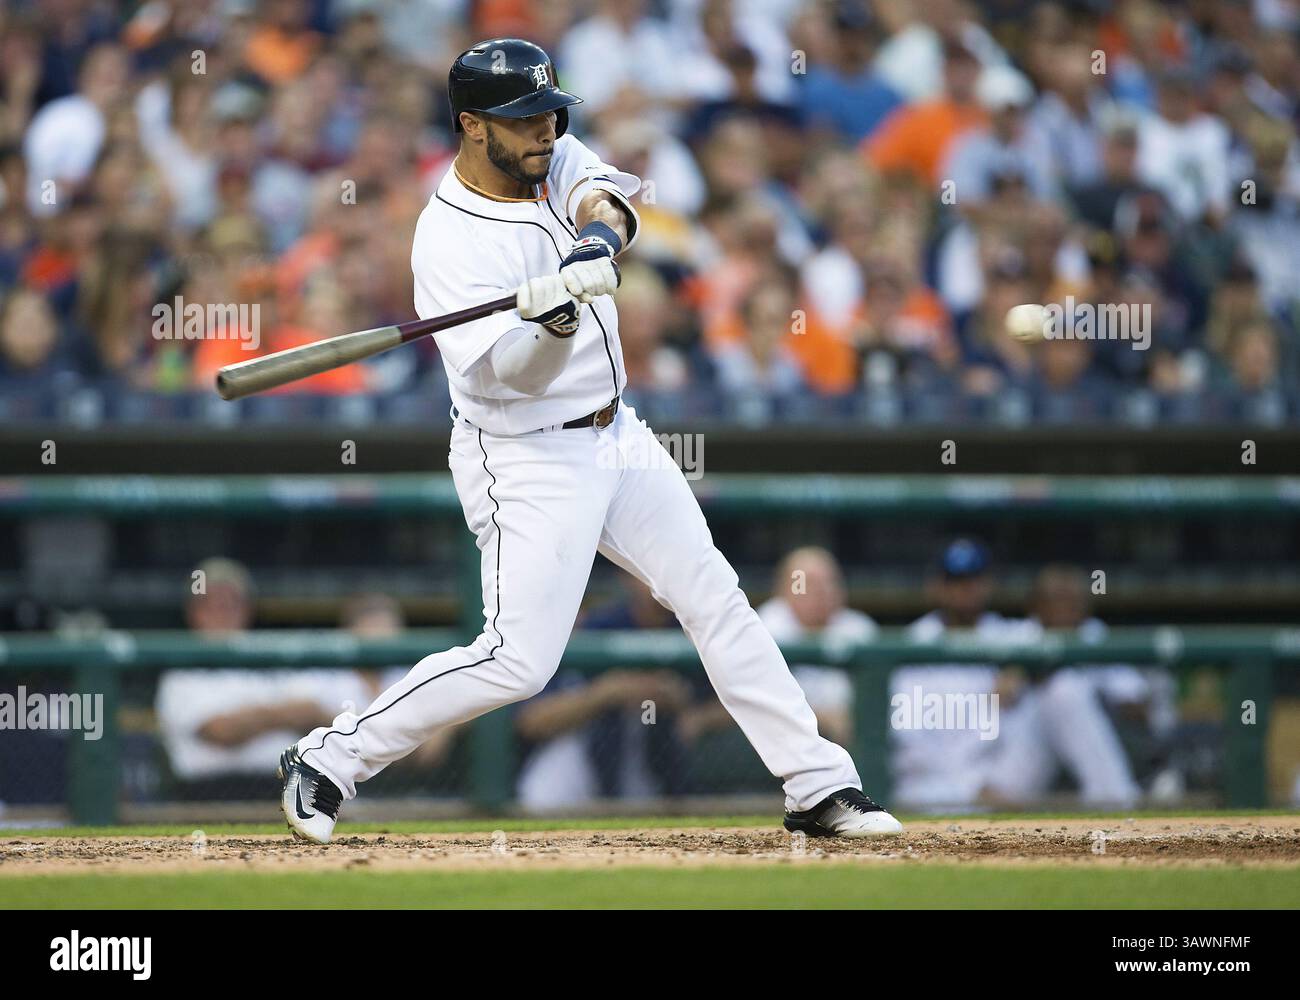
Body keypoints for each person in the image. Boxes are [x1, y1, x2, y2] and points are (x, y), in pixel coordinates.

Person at [278, 39, 901, 843]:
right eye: (521, 120)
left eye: (548, 113)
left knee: (714, 598)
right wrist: (552, 324)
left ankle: (818, 786)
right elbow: (512, 377)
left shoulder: (551, 151)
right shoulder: (447, 240)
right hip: (525, 452)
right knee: (518, 660)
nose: (544, 131)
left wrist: (593, 248)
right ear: (472, 126)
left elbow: (611, 203)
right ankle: (329, 758)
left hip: (618, 432)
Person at [155, 559, 372, 796]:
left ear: (247, 609)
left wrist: (269, 718)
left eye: (232, 603)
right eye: (212, 603)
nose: (223, 611)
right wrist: (287, 714)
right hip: (207, 793)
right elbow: (222, 732)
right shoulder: (182, 672)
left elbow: (323, 716)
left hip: (285, 786)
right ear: (194, 612)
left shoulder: (268, 655)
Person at [757, 547, 877, 745]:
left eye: (830, 582)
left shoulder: (858, 628)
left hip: (848, 735)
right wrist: (822, 717)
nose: (822, 591)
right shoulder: (768, 625)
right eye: (808, 582)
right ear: (783, 589)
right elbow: (761, 702)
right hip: (780, 741)